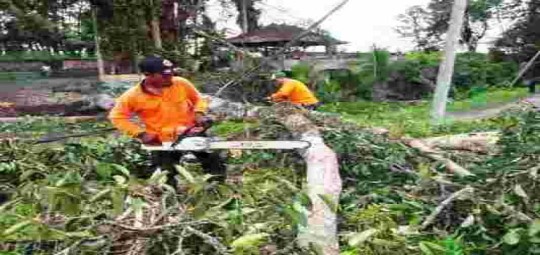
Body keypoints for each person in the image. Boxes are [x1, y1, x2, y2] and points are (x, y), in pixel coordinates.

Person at [108, 56, 226, 187]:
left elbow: (199, 99)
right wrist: (140, 133)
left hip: (191, 132)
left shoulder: (181, 83)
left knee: (214, 163)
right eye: (164, 76)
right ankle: (170, 200)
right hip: (161, 139)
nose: (170, 78)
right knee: (165, 174)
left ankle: (217, 189)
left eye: (171, 74)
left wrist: (199, 114)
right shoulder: (132, 96)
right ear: (148, 75)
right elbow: (117, 116)